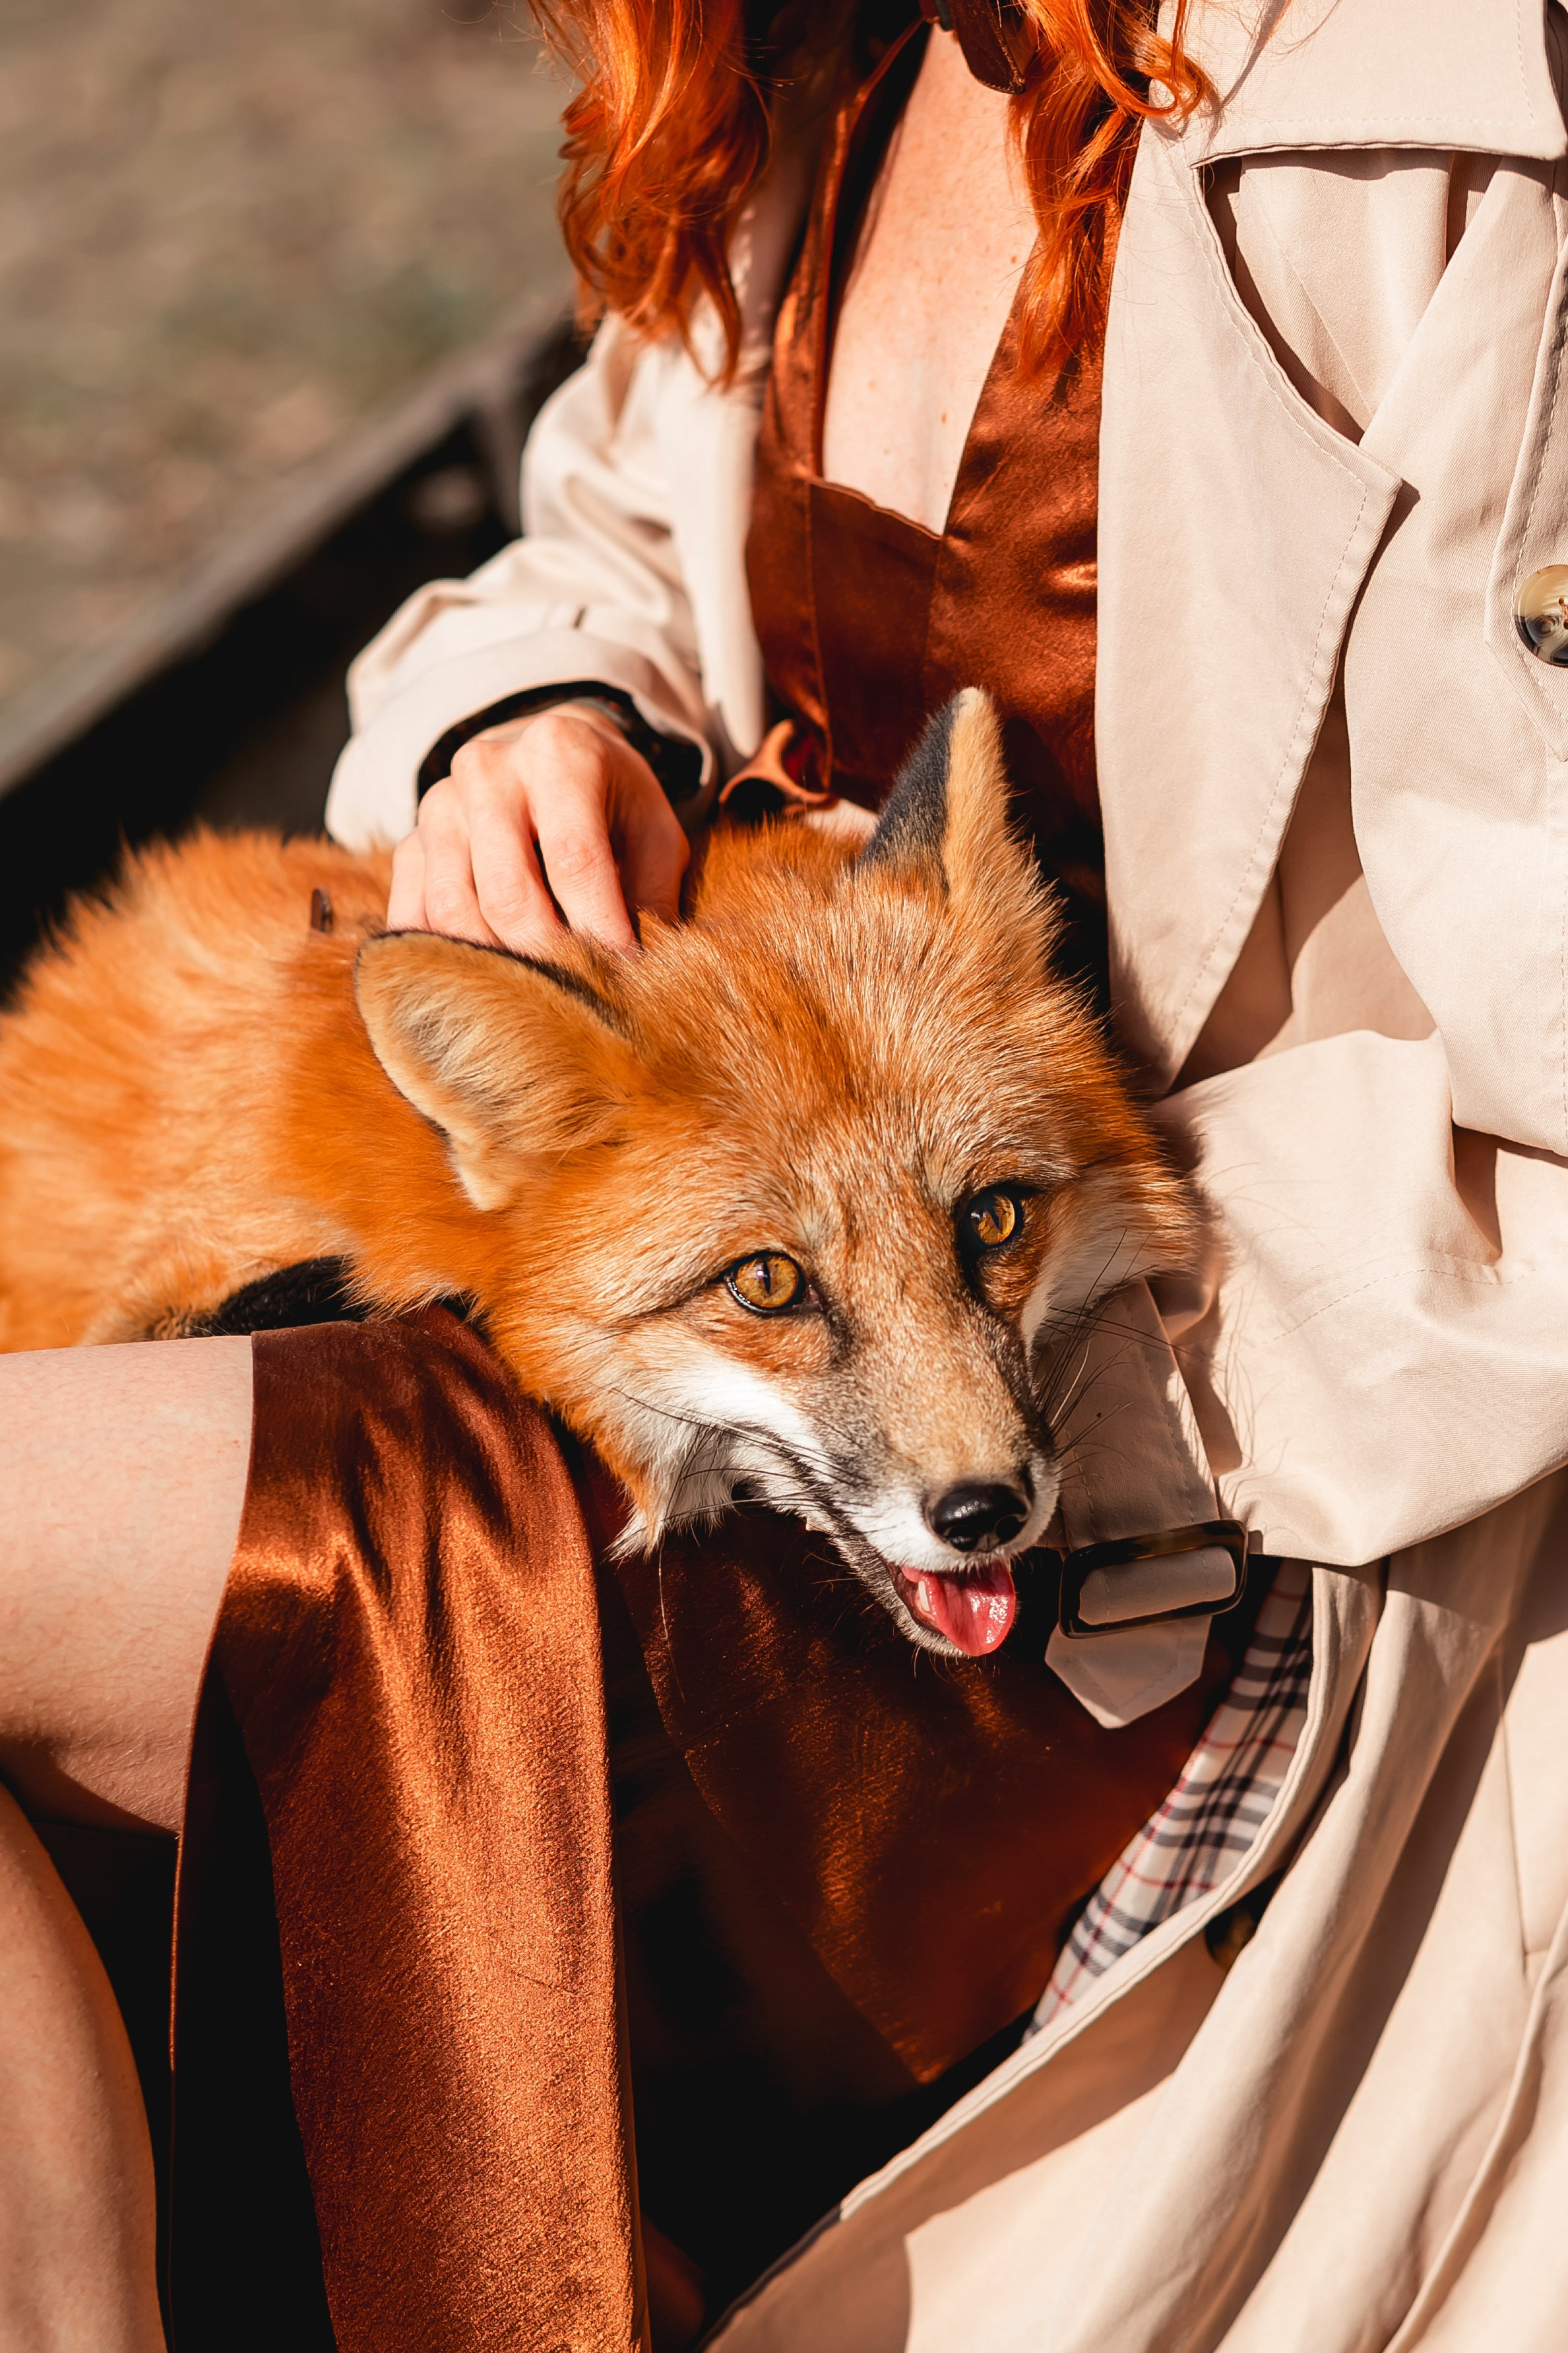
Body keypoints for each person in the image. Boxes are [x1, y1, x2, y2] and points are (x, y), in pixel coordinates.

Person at [5, 0, 1568, 2344]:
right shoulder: (807, 62)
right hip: (713, 1285)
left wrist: (1030, 1361)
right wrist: (536, 718)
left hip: (1243, 1461)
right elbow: (611, 518)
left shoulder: (1448, 133)